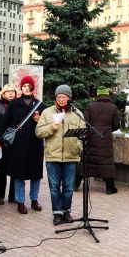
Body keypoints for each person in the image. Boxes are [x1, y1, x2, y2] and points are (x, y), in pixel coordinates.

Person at [36, 85, 85, 225]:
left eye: (64, 97)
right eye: (59, 97)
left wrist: (78, 147)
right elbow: (38, 132)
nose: (62, 99)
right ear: (55, 98)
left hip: (71, 156)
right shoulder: (47, 112)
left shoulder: (77, 113)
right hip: (53, 156)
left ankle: (66, 211)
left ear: (70, 98)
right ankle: (57, 213)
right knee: (54, 187)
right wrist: (52, 127)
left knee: (69, 187)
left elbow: (83, 133)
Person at [0, 75, 45, 214]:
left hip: (35, 144)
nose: (26, 88)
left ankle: (34, 200)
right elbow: (5, 123)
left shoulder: (40, 105)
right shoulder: (14, 104)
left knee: (35, 174)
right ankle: (20, 201)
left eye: (29, 86)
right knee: (19, 174)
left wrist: (39, 120)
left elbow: (46, 124)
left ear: (32, 88)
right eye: (24, 86)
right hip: (18, 145)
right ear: (21, 88)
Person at [83, 86, 120, 194]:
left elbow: (86, 122)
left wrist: (93, 130)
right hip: (105, 138)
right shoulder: (113, 107)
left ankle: (75, 185)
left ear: (97, 95)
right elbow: (116, 124)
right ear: (107, 95)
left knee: (86, 160)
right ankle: (110, 188)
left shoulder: (91, 106)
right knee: (107, 162)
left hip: (91, 136)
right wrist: (107, 130)